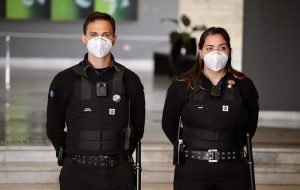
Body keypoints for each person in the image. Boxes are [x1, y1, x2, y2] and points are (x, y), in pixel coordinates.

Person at [46, 11, 145, 190]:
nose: (100, 40)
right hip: (76, 172)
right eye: (94, 35)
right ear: (84, 38)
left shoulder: (130, 80)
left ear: (114, 38)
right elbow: (54, 127)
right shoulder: (64, 80)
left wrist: (118, 156)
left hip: (119, 173)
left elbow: (138, 126)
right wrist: (74, 154)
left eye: (106, 35)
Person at [162, 27, 259, 190]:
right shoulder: (181, 84)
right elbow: (168, 124)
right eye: (209, 48)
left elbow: (251, 125)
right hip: (192, 169)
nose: (216, 53)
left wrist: (229, 144)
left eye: (222, 48)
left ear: (229, 51)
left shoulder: (244, 85)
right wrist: (190, 146)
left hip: (234, 169)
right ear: (200, 52)